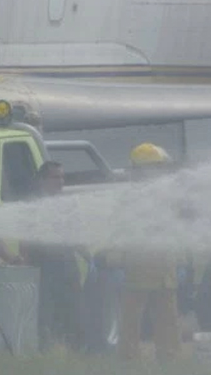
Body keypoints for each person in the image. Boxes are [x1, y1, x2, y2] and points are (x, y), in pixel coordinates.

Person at [97, 143, 183, 361]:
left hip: (164, 269)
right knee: (131, 321)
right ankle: (129, 361)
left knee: (167, 320)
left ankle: (169, 361)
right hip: (139, 268)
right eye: (156, 168)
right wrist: (115, 257)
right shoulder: (130, 198)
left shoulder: (168, 196)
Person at [20, 161, 87, 352]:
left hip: (67, 265)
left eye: (62, 177)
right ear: (42, 180)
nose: (60, 181)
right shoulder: (31, 204)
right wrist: (24, 261)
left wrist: (89, 257)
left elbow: (76, 234)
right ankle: (43, 350)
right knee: (44, 312)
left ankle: (77, 350)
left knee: (75, 310)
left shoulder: (68, 204)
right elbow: (22, 237)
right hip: (42, 265)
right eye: (55, 177)